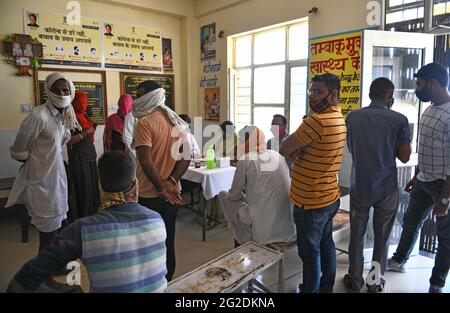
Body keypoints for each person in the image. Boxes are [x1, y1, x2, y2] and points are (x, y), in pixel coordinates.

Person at [6, 151, 168, 293]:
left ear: (100, 184)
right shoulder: (157, 220)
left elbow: (17, 286)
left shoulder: (83, 230)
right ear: (134, 184)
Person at [386, 63, 450, 293]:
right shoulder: (430, 109)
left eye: (419, 83)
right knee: (411, 221)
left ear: (432, 83)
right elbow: (427, 148)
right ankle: (399, 260)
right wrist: (417, 175)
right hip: (424, 179)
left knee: (445, 237)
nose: (416, 88)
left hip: (444, 185)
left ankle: (437, 283)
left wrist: (444, 199)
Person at [343, 78, 411, 293]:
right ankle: (374, 280)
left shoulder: (352, 117)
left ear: (370, 93)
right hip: (386, 188)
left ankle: (354, 279)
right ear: (389, 94)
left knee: (357, 234)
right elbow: (405, 157)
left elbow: (350, 147)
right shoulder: (399, 120)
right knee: (382, 237)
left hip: (360, 185)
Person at [280, 73, 346, 293]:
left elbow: (283, 147)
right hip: (329, 197)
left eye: (318, 92)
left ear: (333, 94)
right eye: (311, 91)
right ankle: (325, 287)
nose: (313, 96)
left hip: (310, 202)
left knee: (309, 253)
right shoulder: (338, 117)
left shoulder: (316, 122)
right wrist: (297, 148)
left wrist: (294, 148)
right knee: (326, 245)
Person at [6, 73, 80, 255]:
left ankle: (51, 268)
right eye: (57, 90)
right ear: (48, 91)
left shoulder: (65, 115)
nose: (62, 94)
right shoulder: (39, 116)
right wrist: (37, 164)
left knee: (56, 229)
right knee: (47, 235)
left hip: (57, 179)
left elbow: (58, 146)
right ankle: (44, 278)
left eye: (65, 90)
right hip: (42, 182)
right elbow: (18, 150)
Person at [133, 80, 190, 281]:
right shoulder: (176, 122)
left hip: (149, 195)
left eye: (140, 95)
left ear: (150, 96)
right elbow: (186, 158)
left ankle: (151, 283)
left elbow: (145, 160)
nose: (136, 99)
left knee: (148, 244)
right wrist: (171, 181)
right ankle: (168, 280)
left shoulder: (145, 122)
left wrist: (161, 187)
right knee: (167, 239)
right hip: (172, 194)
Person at [218, 126, 296, 246]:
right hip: (287, 223)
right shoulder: (277, 156)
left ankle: (239, 239)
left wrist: (244, 196)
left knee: (224, 195)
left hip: (263, 228)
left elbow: (234, 195)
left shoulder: (246, 160)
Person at [67, 91, 100, 219]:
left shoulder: (84, 117)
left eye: (85, 102)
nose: (84, 105)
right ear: (74, 103)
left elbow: (89, 135)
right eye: (81, 102)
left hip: (89, 155)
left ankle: (92, 212)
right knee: (83, 185)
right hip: (79, 157)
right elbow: (69, 140)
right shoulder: (71, 118)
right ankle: (83, 214)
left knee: (92, 184)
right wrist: (87, 132)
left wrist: (93, 126)